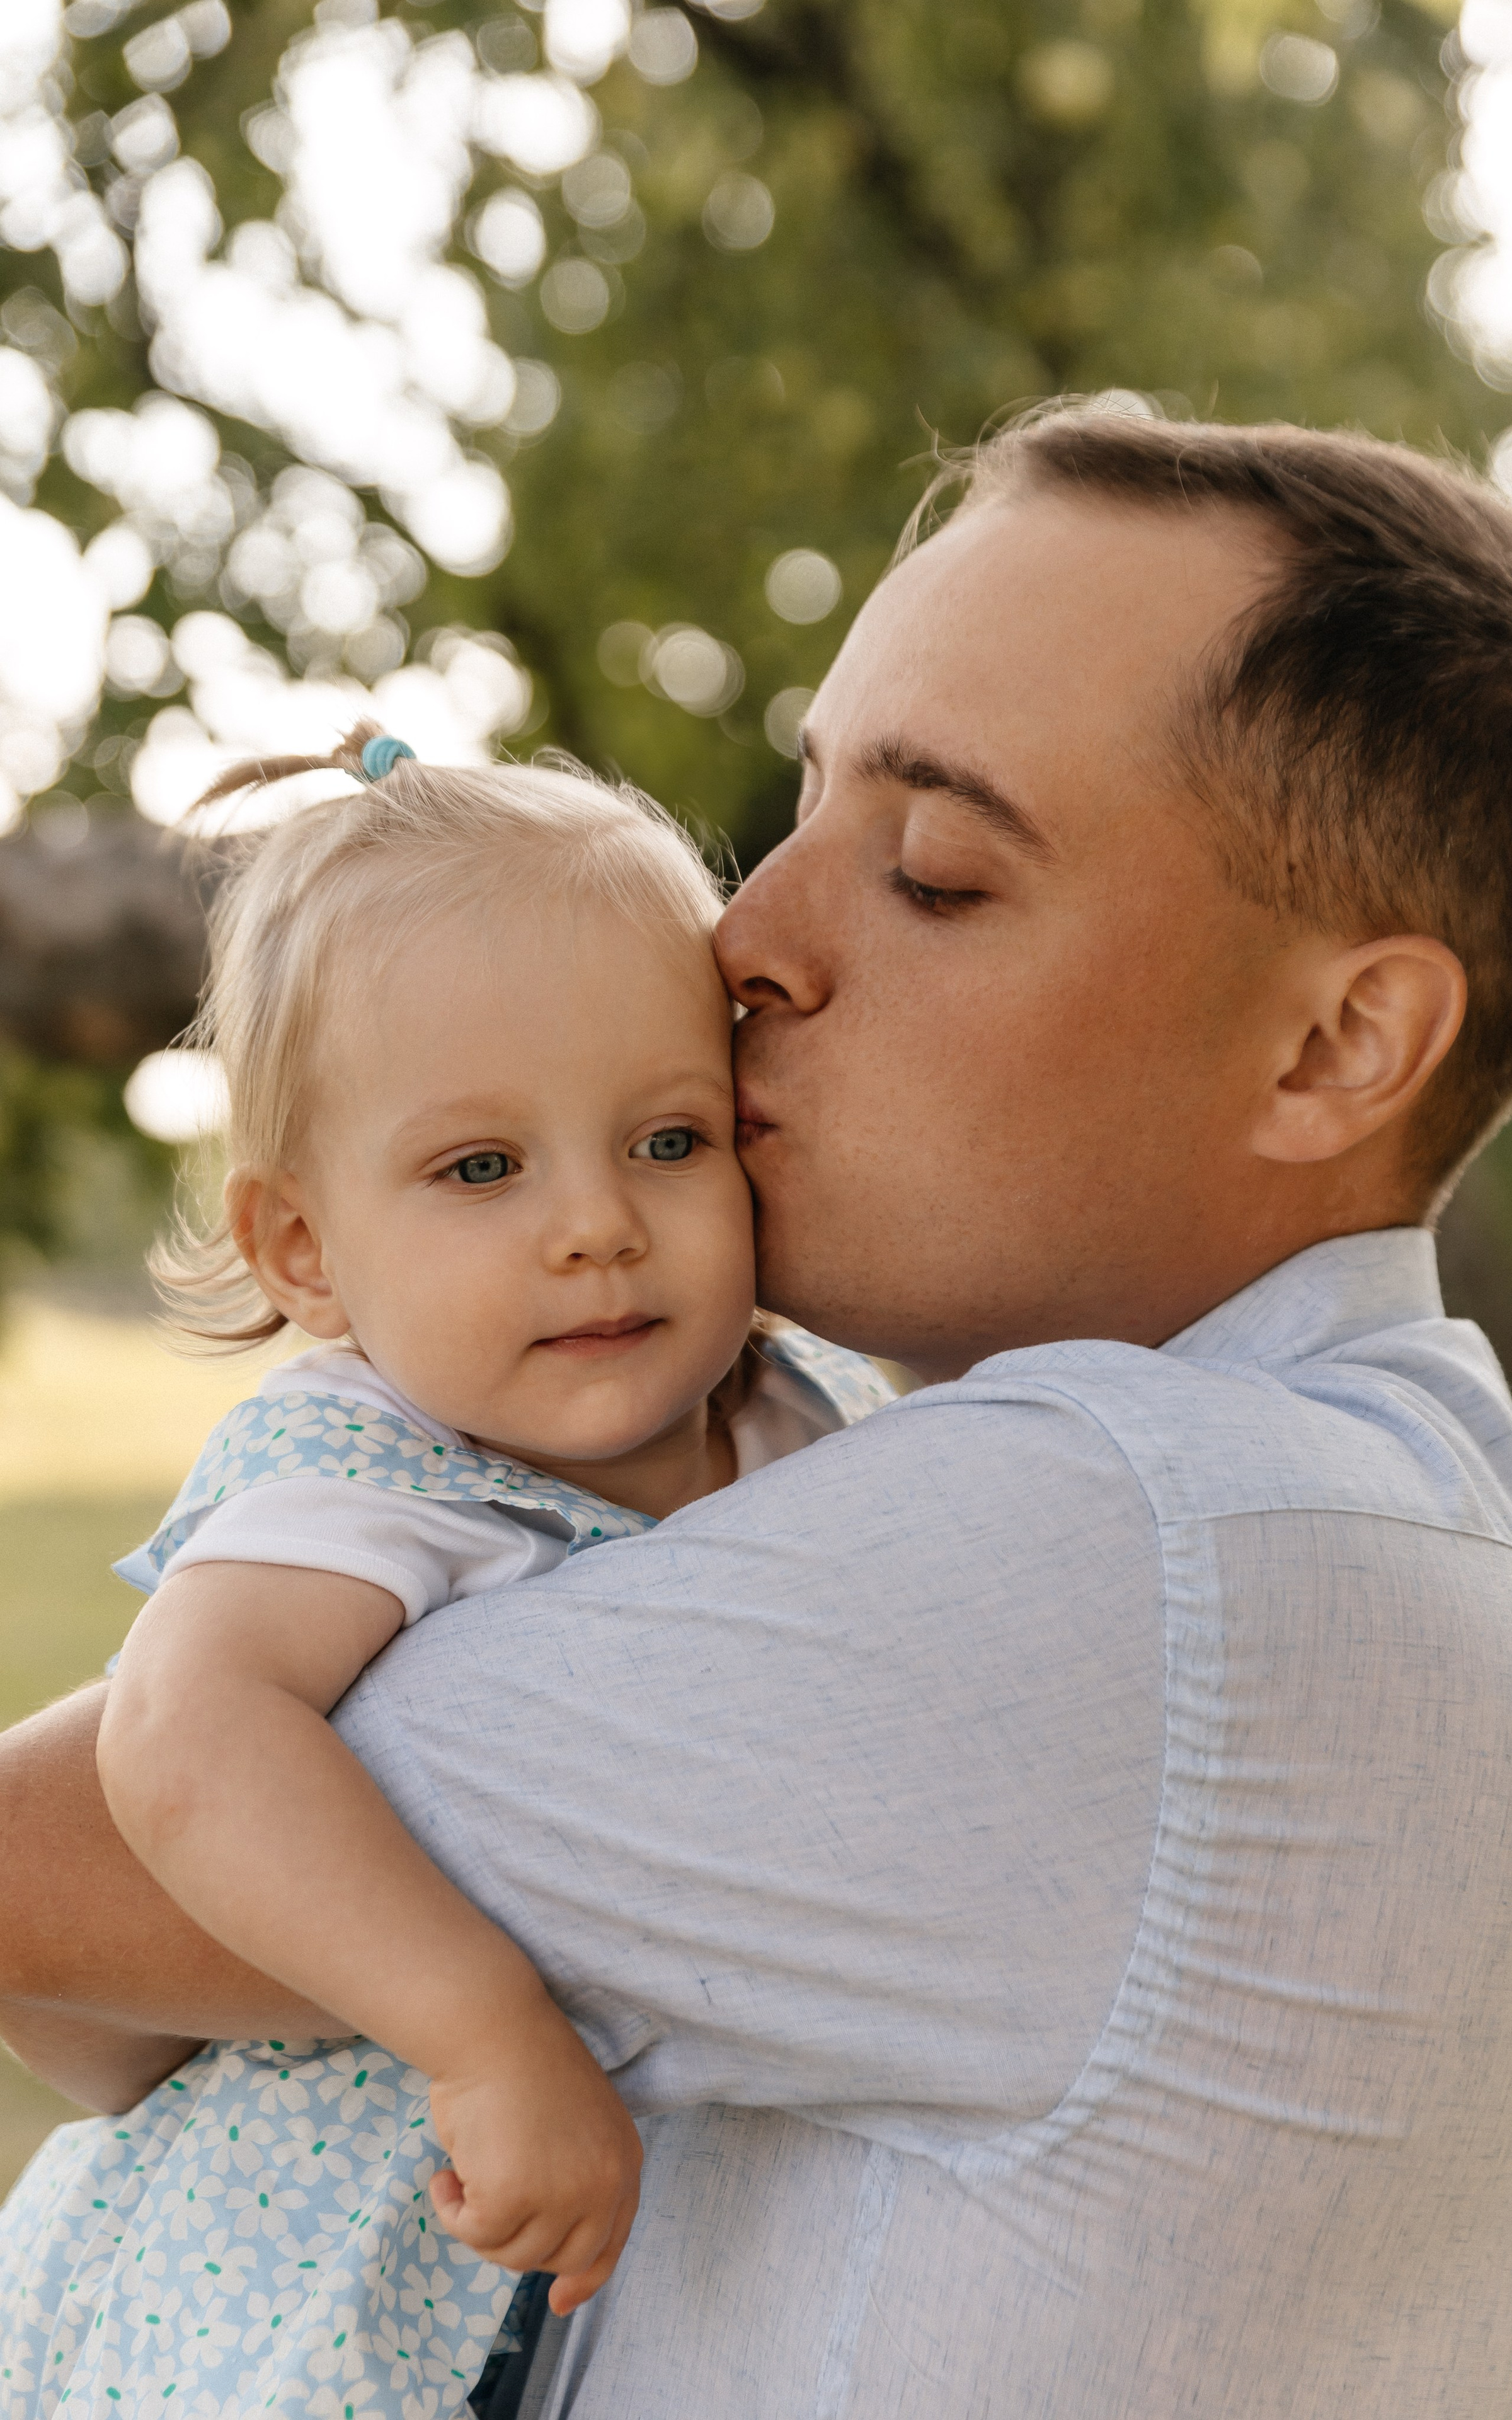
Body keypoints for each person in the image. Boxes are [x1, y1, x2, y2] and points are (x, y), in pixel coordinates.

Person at [3, 406, 1512, 2419]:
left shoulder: (1123, 1541)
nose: (748, 939)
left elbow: (44, 1866)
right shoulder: (1388, 1515)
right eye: (806, 802)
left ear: (1337, 1043)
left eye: (933, 870)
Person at [0, 735, 887, 2419]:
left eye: (671, 1138)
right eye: (483, 1168)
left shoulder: (793, 1418)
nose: (596, 1225)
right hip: (266, 2311)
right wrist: (482, 2030)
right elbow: (183, 1733)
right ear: (303, 1251)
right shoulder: (369, 1467)